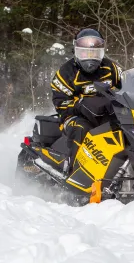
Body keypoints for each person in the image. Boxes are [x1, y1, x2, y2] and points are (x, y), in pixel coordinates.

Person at [50, 28, 122, 172]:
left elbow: (127, 85)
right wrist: (80, 105)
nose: (90, 58)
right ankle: (72, 172)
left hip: (107, 113)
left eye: (94, 53)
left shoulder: (111, 68)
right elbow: (60, 102)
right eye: (85, 53)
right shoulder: (66, 73)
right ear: (77, 51)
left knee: (128, 128)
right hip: (74, 116)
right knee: (82, 128)